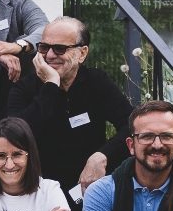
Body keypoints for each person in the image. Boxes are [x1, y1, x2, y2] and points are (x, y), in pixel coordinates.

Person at [19, 16, 133, 194]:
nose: (50, 55)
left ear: (82, 53)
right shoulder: (26, 86)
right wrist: (51, 85)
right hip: (40, 189)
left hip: (88, 186)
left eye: (59, 48)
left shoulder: (95, 82)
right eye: (44, 47)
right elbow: (18, 136)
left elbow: (132, 125)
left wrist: (103, 155)